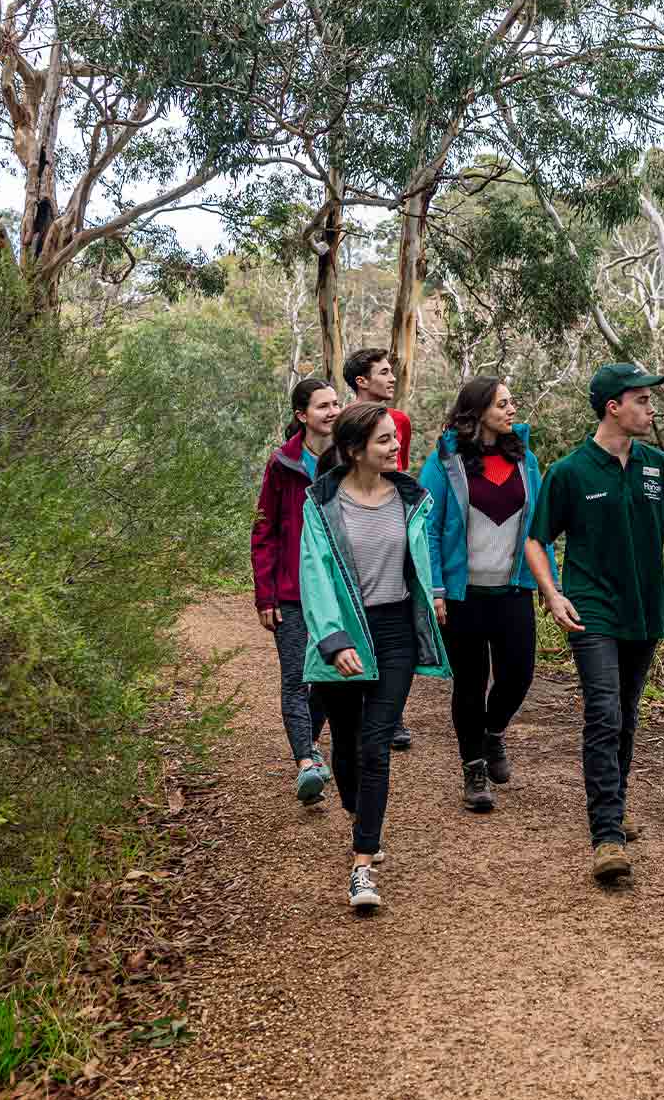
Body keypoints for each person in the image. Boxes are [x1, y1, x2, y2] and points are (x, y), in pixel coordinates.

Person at [525, 364, 664, 883]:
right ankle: (606, 837)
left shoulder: (657, 466)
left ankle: (612, 806)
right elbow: (536, 540)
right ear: (612, 406)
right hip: (592, 610)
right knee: (603, 711)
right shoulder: (570, 472)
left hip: (645, 612)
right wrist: (552, 594)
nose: (651, 408)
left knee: (626, 713)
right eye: (641, 400)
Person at [299, 402, 451, 912]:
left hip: (394, 633)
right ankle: (359, 813)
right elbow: (314, 575)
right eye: (384, 440)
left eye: (394, 437)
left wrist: (432, 597)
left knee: (375, 745)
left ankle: (362, 865)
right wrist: (333, 639)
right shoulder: (322, 505)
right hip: (343, 632)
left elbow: (416, 563)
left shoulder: (409, 498)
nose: (396, 446)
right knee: (344, 746)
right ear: (354, 450)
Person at [417, 377, 551, 813]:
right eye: (502, 404)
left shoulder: (526, 460)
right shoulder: (445, 463)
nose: (512, 410)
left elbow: (539, 529)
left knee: (518, 675)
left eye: (512, 402)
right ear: (477, 413)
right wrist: (436, 589)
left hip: (513, 590)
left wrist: (551, 586)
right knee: (470, 684)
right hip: (462, 595)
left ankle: (493, 734)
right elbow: (429, 530)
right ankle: (473, 766)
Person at [251, 377, 344, 804]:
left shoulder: (351, 458)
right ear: (302, 415)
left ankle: (310, 746)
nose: (333, 411)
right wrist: (265, 594)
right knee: (296, 675)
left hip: (339, 590)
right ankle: (306, 760)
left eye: (336, 403)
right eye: (323, 406)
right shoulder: (282, 464)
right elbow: (264, 531)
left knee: (327, 677)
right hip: (290, 592)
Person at [341, 346, 416, 751]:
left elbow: (399, 469)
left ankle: (391, 711)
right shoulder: (342, 422)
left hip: (390, 514)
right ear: (361, 381)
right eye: (384, 373)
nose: (391, 379)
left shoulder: (400, 419)